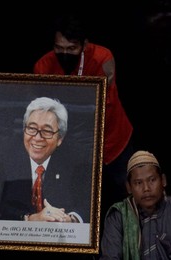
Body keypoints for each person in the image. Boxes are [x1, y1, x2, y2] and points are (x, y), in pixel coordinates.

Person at [34, 13, 135, 222]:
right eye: (59, 48)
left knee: (125, 194)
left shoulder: (103, 59)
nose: (64, 53)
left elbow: (105, 103)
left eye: (71, 49)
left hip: (111, 139)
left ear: (84, 44)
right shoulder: (43, 67)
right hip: (70, 144)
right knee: (75, 198)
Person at [0, 96, 92, 223]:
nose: (37, 138)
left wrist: (70, 220)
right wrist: (30, 219)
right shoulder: (1, 157)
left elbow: (87, 205)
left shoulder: (78, 161)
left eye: (47, 131)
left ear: (60, 138)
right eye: (31, 128)